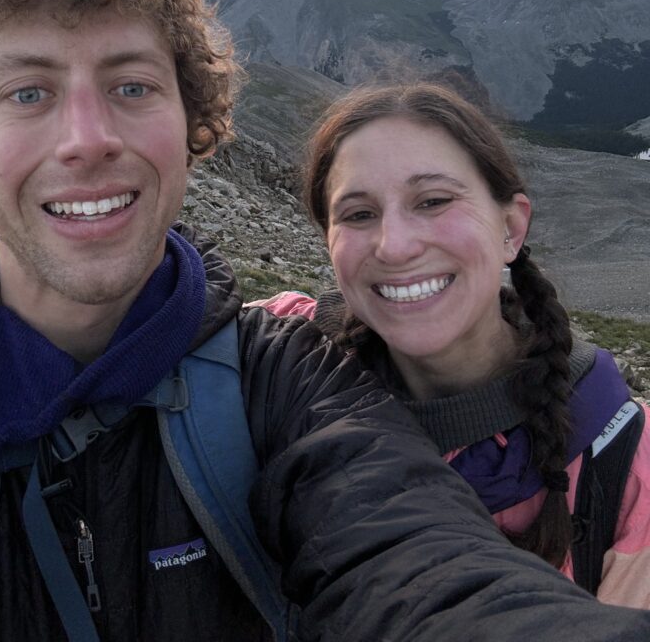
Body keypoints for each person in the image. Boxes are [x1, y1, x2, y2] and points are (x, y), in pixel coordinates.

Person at [0, 0, 650, 642]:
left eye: (131, 87)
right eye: (28, 92)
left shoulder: (282, 380)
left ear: (192, 130)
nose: (86, 138)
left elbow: (413, 558)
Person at [260, 82, 650, 609]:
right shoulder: (278, 355)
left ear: (510, 228)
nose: (395, 246)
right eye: (357, 214)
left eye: (434, 201)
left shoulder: (631, 468)